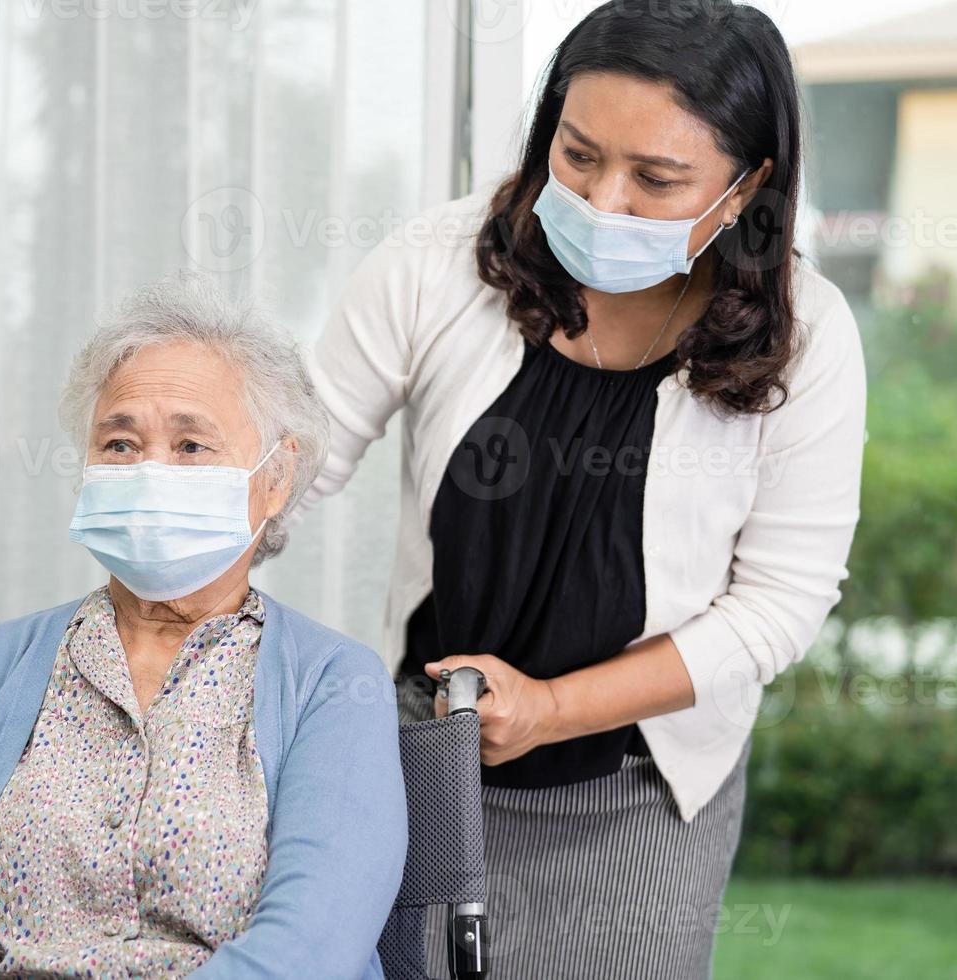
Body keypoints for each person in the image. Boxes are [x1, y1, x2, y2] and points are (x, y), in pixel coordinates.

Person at [292, 2, 866, 976]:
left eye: (656, 179)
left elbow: (779, 603)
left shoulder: (808, 335)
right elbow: (297, 454)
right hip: (424, 757)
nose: (604, 201)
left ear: (747, 187)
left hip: (639, 789)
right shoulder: (441, 262)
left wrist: (554, 706)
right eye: (579, 153)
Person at [0, 272, 407, 980]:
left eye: (191, 446)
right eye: (121, 444)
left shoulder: (332, 684)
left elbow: (312, 946)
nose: (150, 469)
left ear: (274, 480)